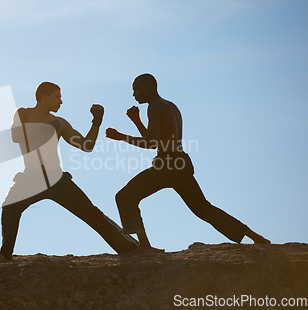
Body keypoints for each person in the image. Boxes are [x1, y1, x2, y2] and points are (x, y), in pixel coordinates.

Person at [106, 74, 270, 255]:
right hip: (180, 163)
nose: (134, 94)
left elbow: (151, 143)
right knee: (202, 208)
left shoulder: (155, 107)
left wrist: (121, 137)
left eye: (137, 89)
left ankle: (145, 247)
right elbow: (158, 140)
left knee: (125, 197)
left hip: (166, 165)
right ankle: (255, 237)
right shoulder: (169, 105)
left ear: (150, 87)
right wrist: (137, 121)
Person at [0, 82, 139, 261]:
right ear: (44, 97)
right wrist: (46, 130)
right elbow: (17, 137)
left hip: (56, 178)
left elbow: (87, 146)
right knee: (10, 207)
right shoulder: (23, 114)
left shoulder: (60, 123)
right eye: (57, 97)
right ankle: (4, 254)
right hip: (32, 177)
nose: (61, 102)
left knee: (92, 214)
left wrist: (96, 121)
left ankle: (130, 249)